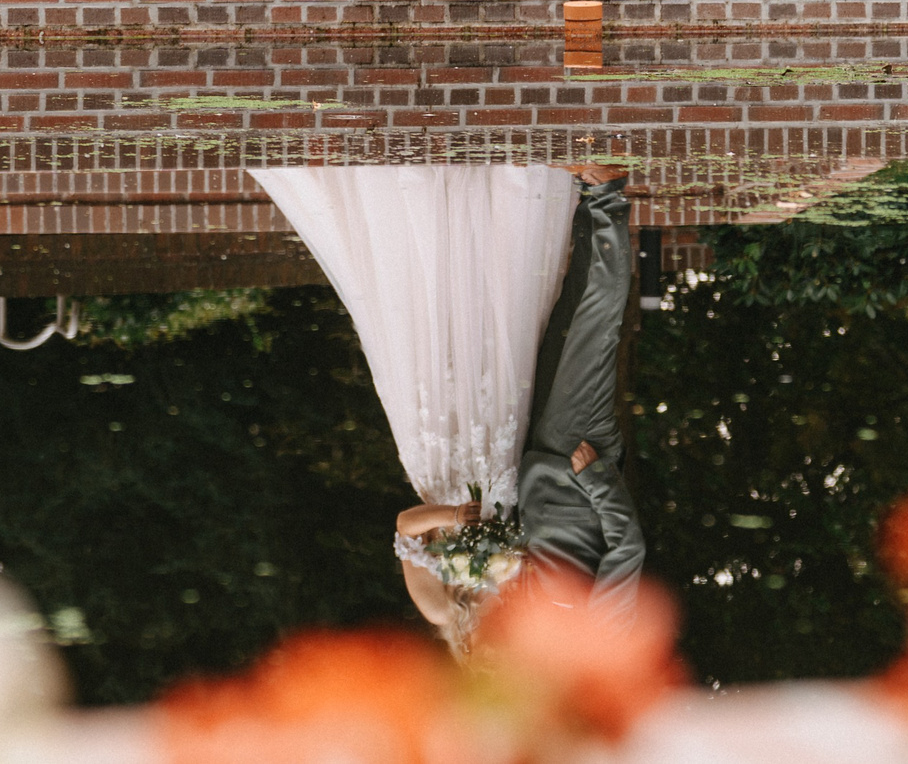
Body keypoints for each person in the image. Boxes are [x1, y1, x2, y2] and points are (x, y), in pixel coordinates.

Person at [248, 164, 578, 650]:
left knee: (424, 353)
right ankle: (498, 200)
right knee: (497, 348)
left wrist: (453, 519)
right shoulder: (521, 616)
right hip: (500, 466)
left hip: (439, 466)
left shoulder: (441, 609)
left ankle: (412, 209)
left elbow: (405, 529)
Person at [517, 164, 646, 606]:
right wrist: (594, 478)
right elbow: (628, 548)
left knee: (569, 316)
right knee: (595, 324)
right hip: (579, 455)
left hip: (541, 459)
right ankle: (608, 191)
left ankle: (589, 200)